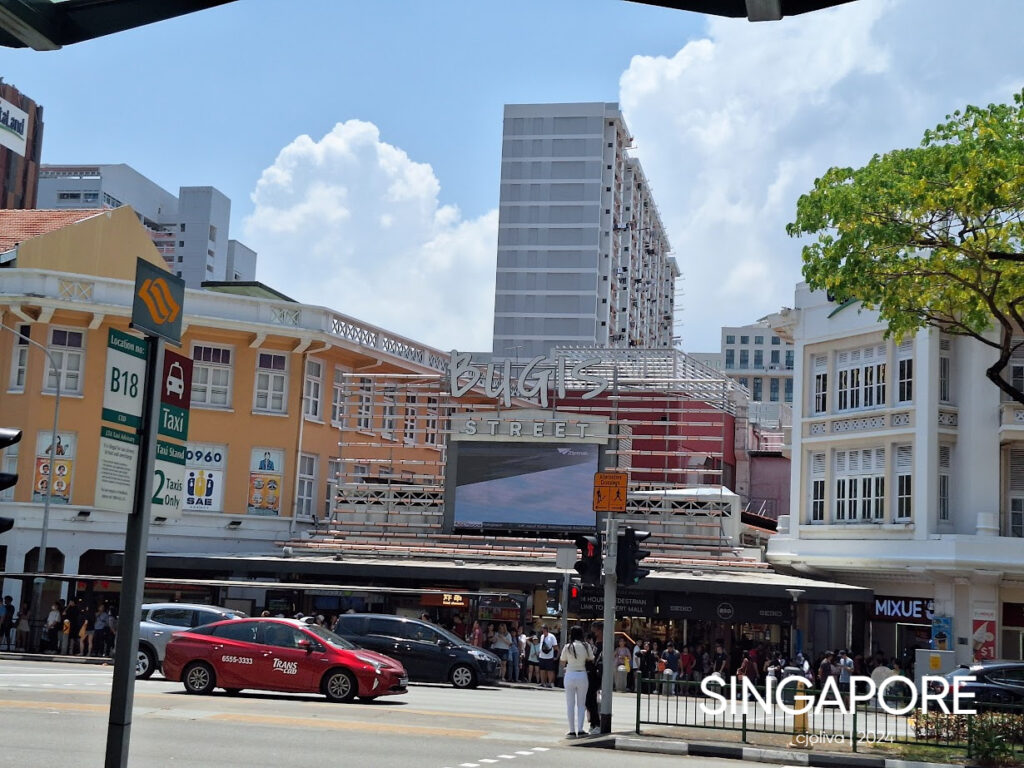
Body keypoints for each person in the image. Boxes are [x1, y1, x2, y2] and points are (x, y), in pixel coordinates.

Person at [559, 626, 593, 738]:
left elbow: (562, 661)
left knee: (570, 704)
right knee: (581, 704)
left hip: (569, 675)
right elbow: (591, 659)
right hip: (582, 674)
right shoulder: (586, 645)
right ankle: (580, 729)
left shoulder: (568, 646)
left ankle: (572, 731)